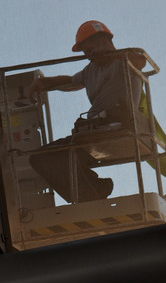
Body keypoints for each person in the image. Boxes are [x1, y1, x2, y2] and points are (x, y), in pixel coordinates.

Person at [26, 21, 148, 204]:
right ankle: (96, 189)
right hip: (94, 130)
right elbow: (70, 82)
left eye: (89, 50)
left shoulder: (123, 61)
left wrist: (113, 55)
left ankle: (93, 194)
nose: (88, 56)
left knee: (50, 157)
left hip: (116, 126)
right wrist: (44, 83)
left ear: (103, 40)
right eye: (85, 53)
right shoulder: (91, 69)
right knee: (40, 158)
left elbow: (141, 60)